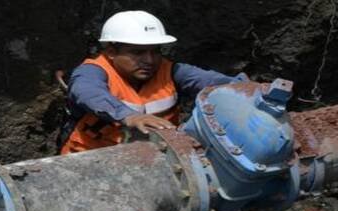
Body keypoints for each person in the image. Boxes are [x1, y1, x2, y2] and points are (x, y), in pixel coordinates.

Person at [60, 10, 239, 154]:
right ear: (112, 52)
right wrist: (129, 116)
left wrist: (252, 89)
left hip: (155, 159)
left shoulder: (172, 71)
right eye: (137, 53)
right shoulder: (92, 72)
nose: (149, 60)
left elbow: (215, 82)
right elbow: (87, 92)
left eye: (155, 51)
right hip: (87, 161)